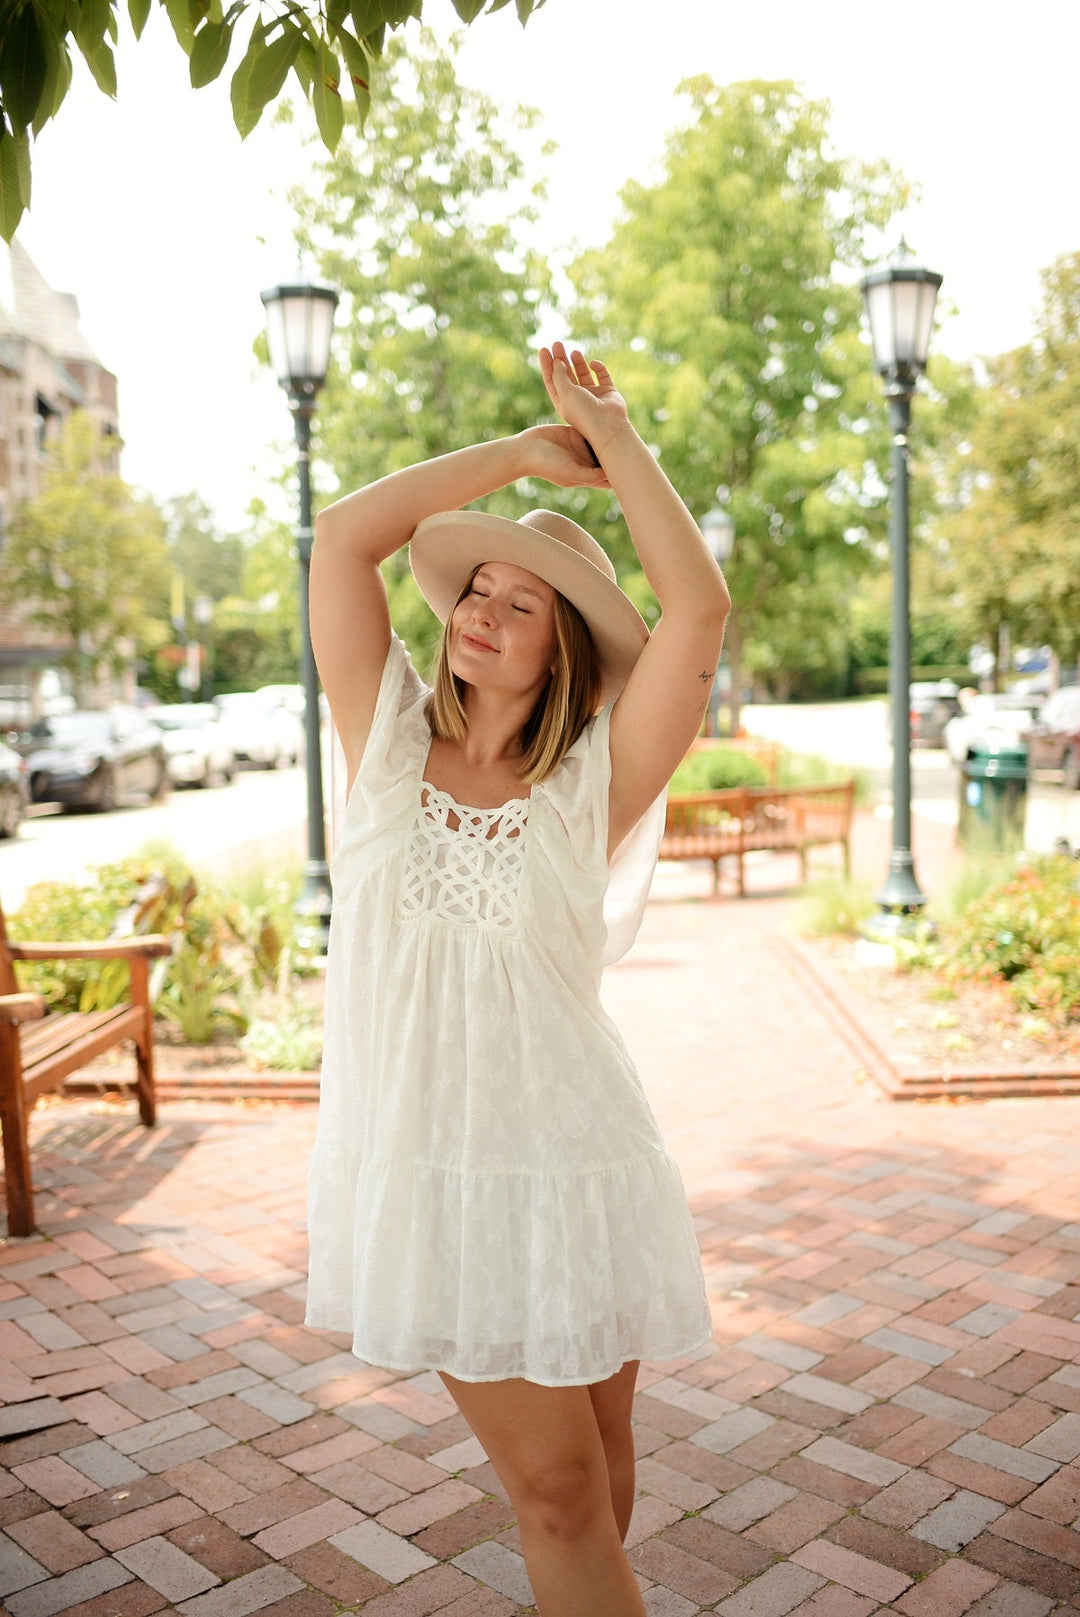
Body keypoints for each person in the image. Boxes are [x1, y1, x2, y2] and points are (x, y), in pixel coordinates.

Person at [306, 342, 731, 1617]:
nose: (483, 609)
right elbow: (339, 539)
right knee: (554, 1494)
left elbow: (698, 610)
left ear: (566, 654)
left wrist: (616, 440)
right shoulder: (381, 745)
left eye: (524, 601)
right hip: (443, 1180)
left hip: (582, 1159)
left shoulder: (587, 787)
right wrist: (522, 460)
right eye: (475, 586)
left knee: (594, 1475)